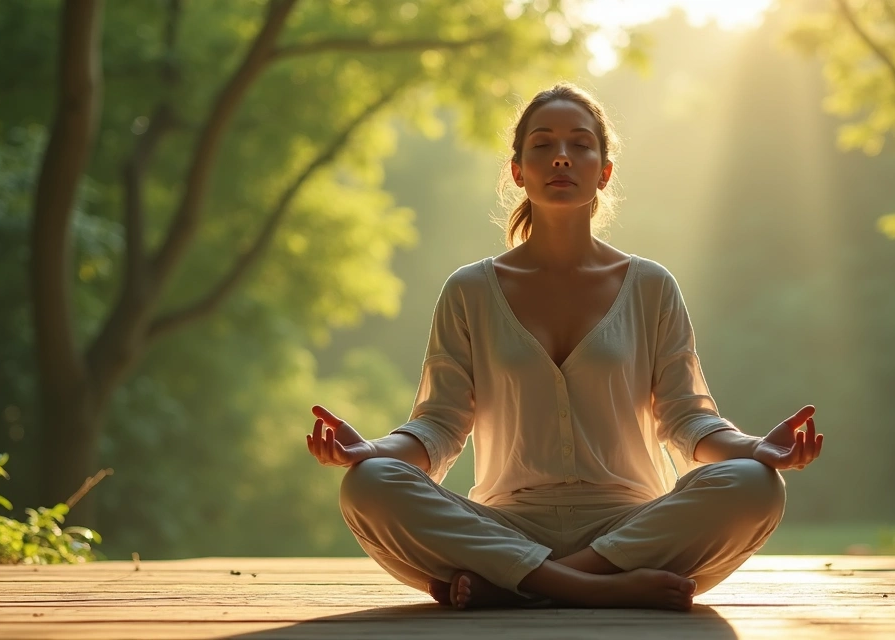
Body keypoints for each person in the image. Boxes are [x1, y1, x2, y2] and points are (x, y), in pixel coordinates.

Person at [305, 82, 824, 612]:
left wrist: (755, 450)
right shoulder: (470, 290)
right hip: (504, 525)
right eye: (542, 144)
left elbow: (687, 419)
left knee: (756, 486)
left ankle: (522, 586)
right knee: (367, 484)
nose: (561, 157)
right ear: (517, 172)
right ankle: (594, 589)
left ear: (604, 171)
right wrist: (370, 452)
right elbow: (438, 426)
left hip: (632, 528)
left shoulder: (650, 286)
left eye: (580, 144)